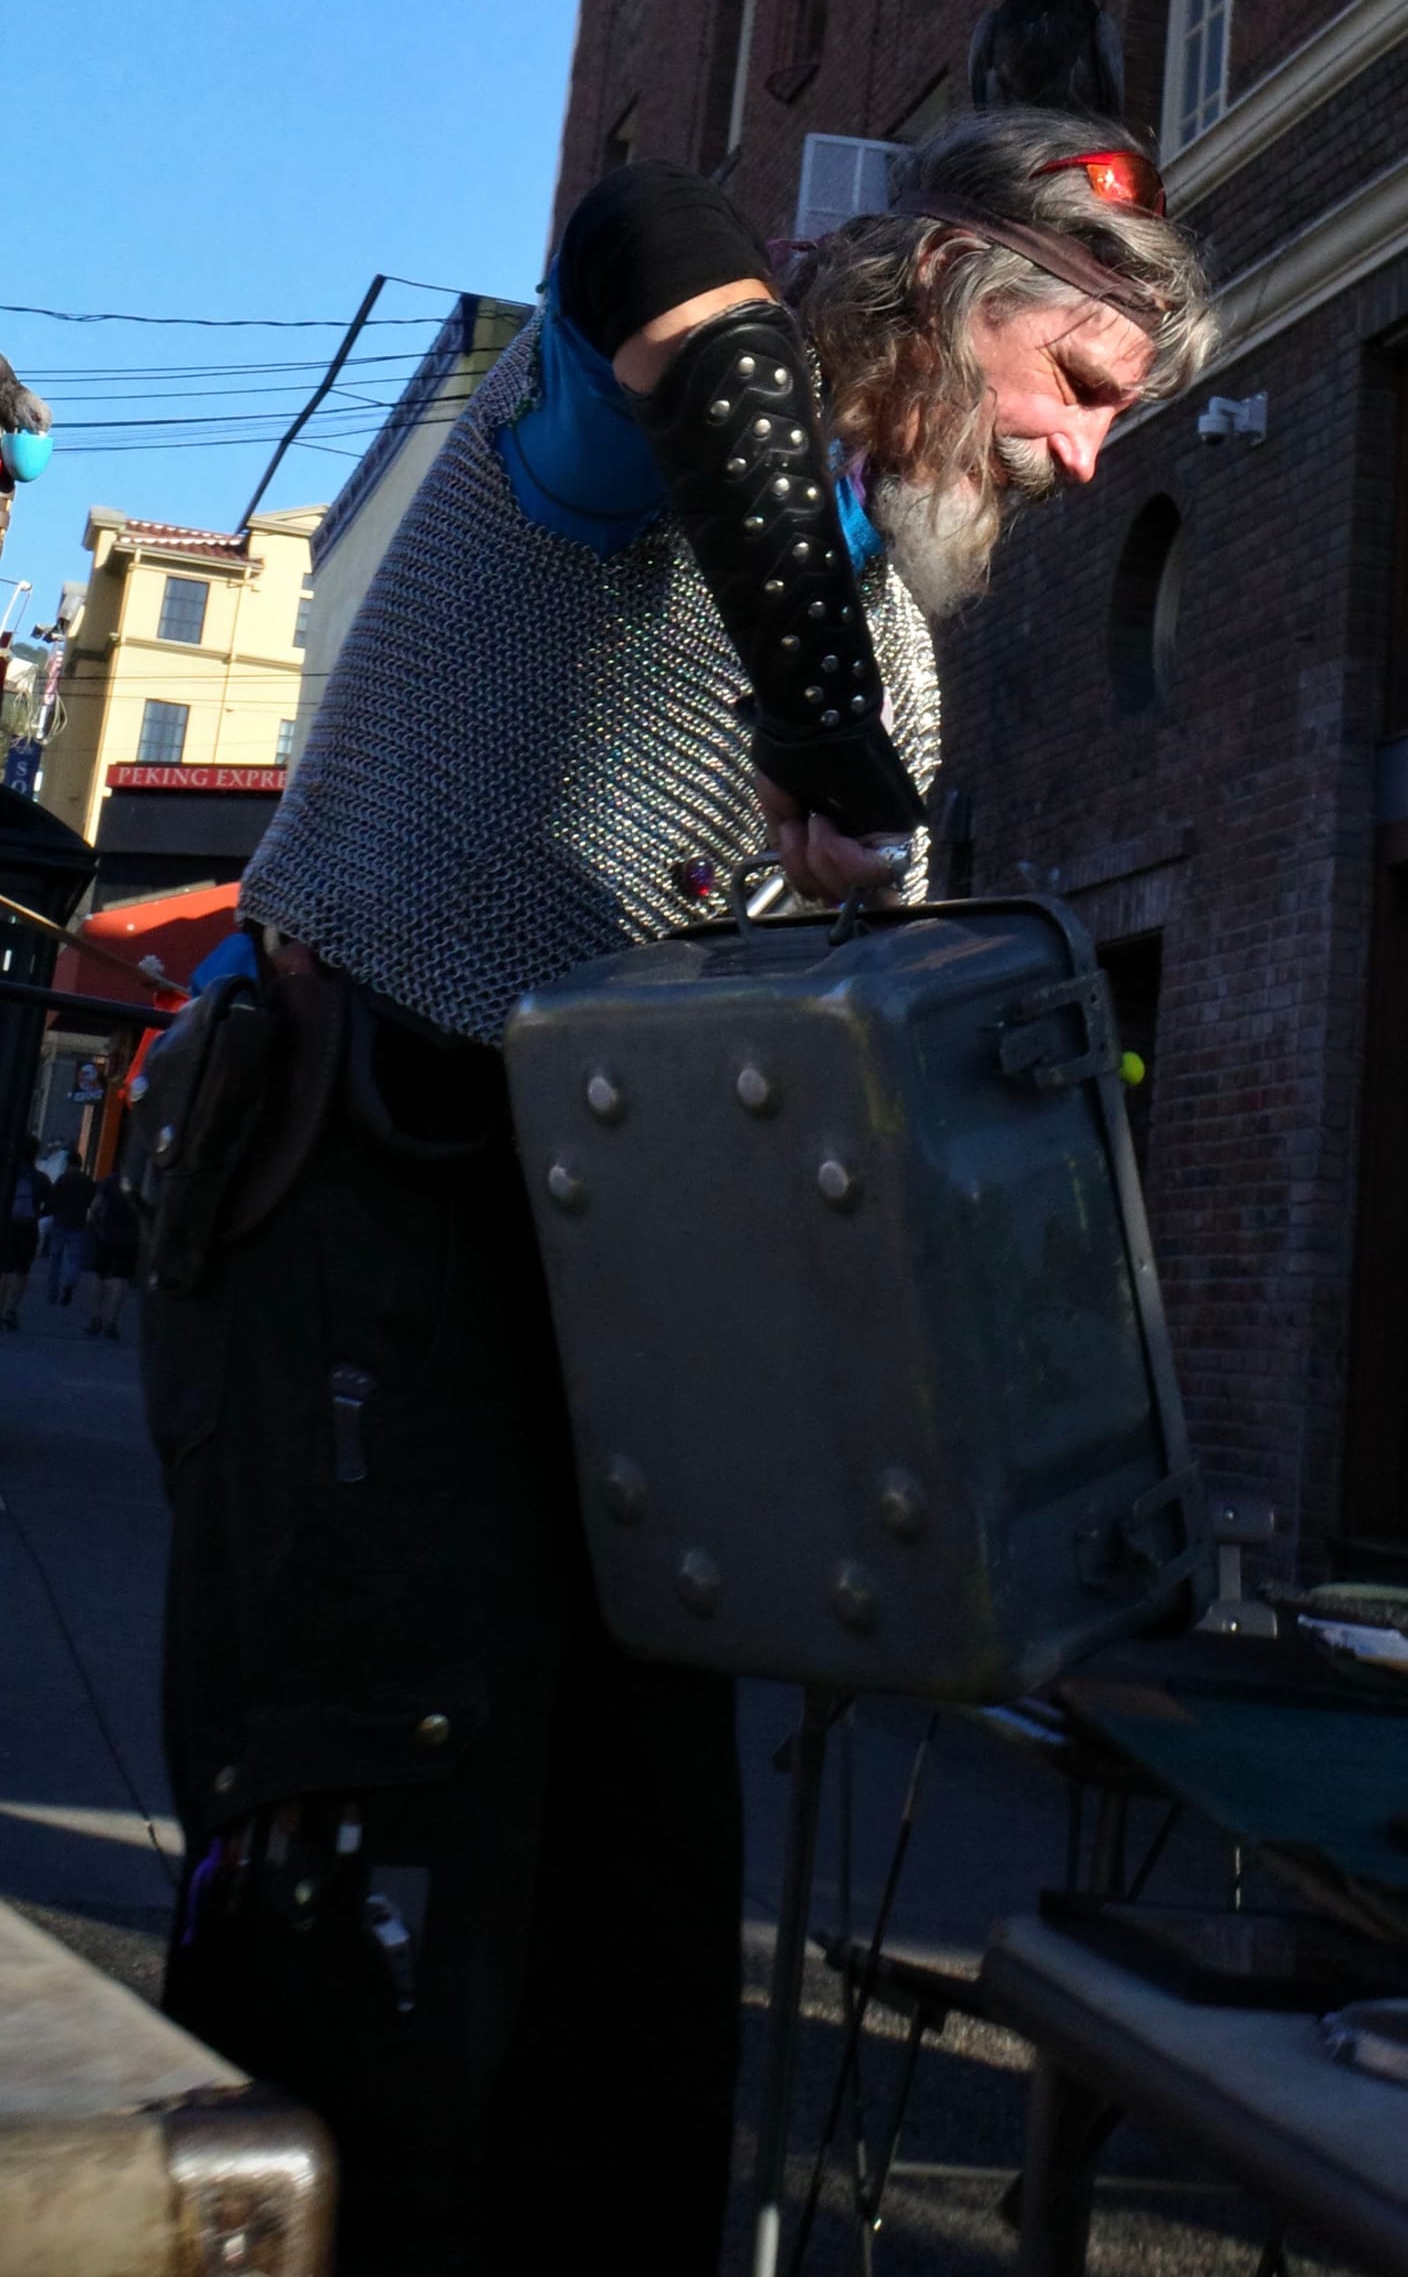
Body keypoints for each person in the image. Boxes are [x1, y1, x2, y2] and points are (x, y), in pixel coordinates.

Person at [139, 111, 1214, 2277]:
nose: (1090, 462)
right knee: (376, 1925)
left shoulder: (893, 644)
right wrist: (817, 717)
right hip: (367, 1211)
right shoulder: (659, 457)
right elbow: (653, 232)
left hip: (610, 1325)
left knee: (631, 1965)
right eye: (1079, 387)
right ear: (945, 287)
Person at [83, 1171, 142, 1341]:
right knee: (120, 1281)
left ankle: (95, 1318)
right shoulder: (141, 1180)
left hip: (106, 1236)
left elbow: (95, 1207)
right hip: (129, 1239)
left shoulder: (110, 1181)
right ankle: (111, 1323)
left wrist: (97, 1225)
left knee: (99, 1276)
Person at [44, 1146, 95, 1307]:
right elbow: (90, 1202)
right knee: (74, 1260)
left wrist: (46, 1213)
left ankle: (52, 1294)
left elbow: (52, 1201)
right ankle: (69, 1283)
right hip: (78, 1223)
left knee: (55, 1260)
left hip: (60, 1222)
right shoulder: (88, 1182)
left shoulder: (63, 1179)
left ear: (69, 1163)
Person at [0, 1161, 42, 1331]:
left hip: (7, 1228)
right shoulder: (39, 1178)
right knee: (21, 1271)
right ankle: (11, 1310)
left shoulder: (6, 1173)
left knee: (4, 1271)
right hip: (28, 1230)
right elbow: (51, 1204)